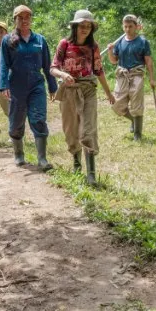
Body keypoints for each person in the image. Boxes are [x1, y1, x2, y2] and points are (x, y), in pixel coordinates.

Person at [49, 10, 115, 185]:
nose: (85, 29)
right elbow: (53, 68)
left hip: (88, 90)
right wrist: (63, 75)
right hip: (69, 91)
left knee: (88, 130)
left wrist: (109, 93)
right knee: (71, 130)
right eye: (82, 26)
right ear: (75, 27)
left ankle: (91, 173)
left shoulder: (93, 47)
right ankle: (77, 164)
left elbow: (99, 71)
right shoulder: (64, 44)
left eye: (88, 26)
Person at [0, 5, 58, 171]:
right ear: (15, 20)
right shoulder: (8, 41)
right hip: (16, 86)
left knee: (38, 118)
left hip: (36, 85)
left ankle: (42, 158)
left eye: (27, 17)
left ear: (31, 19)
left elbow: (48, 65)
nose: (24, 20)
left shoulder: (40, 40)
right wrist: (3, 85)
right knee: (16, 122)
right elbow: (3, 65)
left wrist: (53, 86)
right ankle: (18, 154)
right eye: (20, 17)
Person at [107, 14, 156, 141]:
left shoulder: (143, 42)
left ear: (136, 27)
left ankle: (137, 134)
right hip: (122, 75)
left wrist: (152, 78)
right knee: (116, 105)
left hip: (137, 75)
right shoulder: (120, 42)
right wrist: (110, 50)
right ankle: (133, 121)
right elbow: (113, 61)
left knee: (136, 105)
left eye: (130, 26)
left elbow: (149, 61)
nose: (127, 29)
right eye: (125, 26)